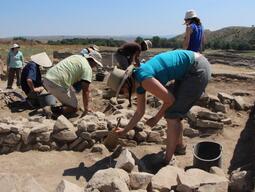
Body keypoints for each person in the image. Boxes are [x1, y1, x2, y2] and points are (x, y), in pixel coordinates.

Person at [107, 50, 211, 164]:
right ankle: (179, 147)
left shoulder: (143, 77)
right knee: (175, 114)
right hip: (190, 67)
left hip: (197, 69)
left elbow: (169, 100)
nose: (125, 95)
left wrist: (156, 119)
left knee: (171, 116)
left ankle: (167, 161)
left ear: (127, 83)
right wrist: (125, 130)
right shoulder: (139, 82)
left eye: (122, 91)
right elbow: (140, 112)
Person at [43, 50, 103, 116]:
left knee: (68, 102)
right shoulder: (87, 68)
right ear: (93, 61)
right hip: (57, 83)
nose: (95, 66)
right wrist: (86, 109)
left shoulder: (77, 57)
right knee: (74, 108)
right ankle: (52, 111)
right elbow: (85, 91)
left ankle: (57, 109)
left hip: (47, 78)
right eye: (96, 64)